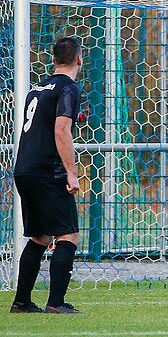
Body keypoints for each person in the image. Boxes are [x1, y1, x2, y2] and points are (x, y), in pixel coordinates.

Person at [10, 37, 83, 314]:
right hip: (47, 170)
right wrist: (71, 173)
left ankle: (22, 302)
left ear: (54, 60)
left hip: (25, 168)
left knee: (40, 236)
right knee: (69, 235)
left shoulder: (37, 89)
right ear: (79, 59)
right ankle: (56, 302)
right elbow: (61, 131)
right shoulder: (69, 88)